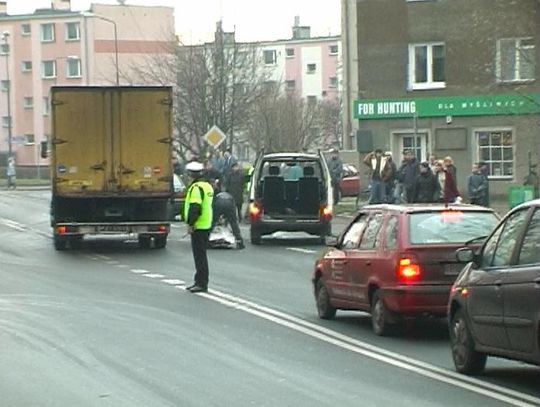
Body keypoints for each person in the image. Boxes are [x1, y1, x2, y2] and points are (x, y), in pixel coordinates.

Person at [184, 161, 214, 293]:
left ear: (191, 175)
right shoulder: (207, 186)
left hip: (198, 225)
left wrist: (191, 224)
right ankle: (200, 280)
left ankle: (201, 283)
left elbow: (195, 208)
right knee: (202, 254)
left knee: (199, 256)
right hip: (206, 223)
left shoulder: (196, 188)